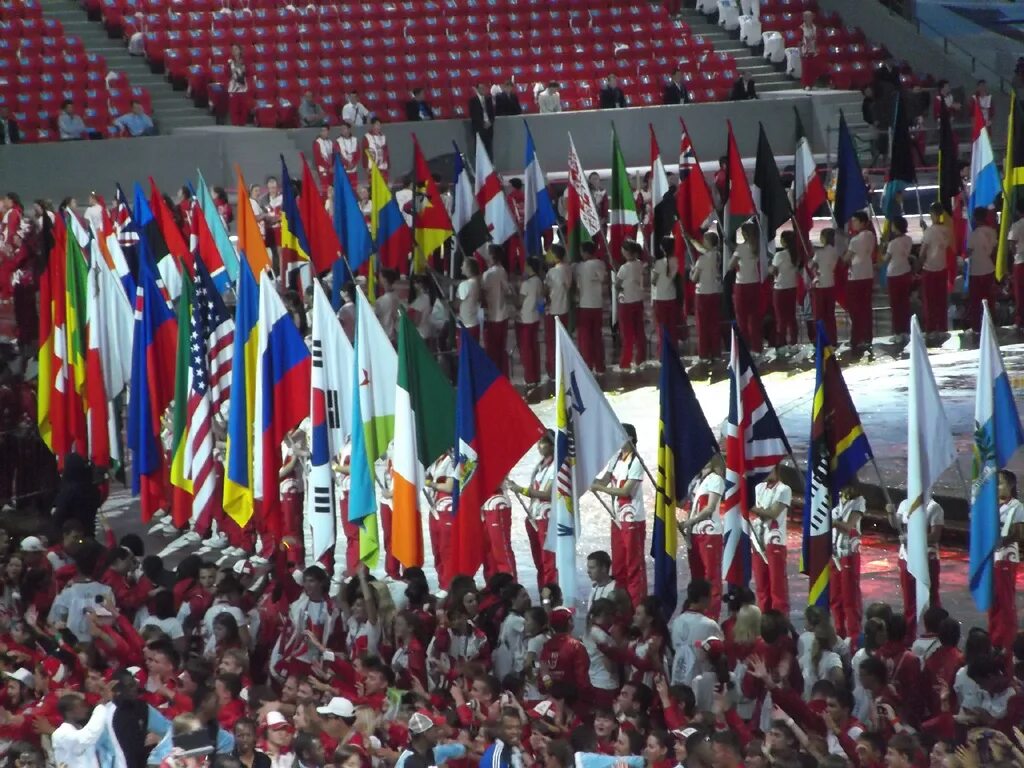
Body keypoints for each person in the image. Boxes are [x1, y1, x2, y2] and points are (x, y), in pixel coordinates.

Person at [591, 424, 647, 607]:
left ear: (630, 438)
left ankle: (636, 605)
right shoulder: (615, 459)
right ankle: (621, 606)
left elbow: (625, 491)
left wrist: (600, 488)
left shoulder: (637, 461)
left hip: (632, 518)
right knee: (619, 565)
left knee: (633, 566)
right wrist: (587, 477)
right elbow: (604, 480)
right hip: (616, 518)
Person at [888, 494, 943, 639]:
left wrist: (912, 539)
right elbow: (896, 524)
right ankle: (909, 637)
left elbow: (935, 536)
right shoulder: (905, 503)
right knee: (909, 599)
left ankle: (934, 633)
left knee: (931, 598)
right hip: (906, 557)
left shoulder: (934, 507)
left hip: (927, 558)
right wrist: (890, 513)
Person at [517, 432, 557, 591]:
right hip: (534, 516)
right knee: (539, 561)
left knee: (549, 560)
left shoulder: (556, 466)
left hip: (546, 516)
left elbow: (547, 494)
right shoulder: (540, 466)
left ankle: (552, 595)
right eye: (538, 443)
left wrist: (521, 490)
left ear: (552, 445)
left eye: (543, 443)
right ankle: (543, 593)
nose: (539, 446)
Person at [749, 462, 791, 616]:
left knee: (777, 587)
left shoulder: (784, 489)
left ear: (776, 469)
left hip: (775, 542)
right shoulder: (758, 488)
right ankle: (765, 623)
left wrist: (750, 506)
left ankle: (780, 624)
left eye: (769, 469)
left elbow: (773, 513)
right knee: (761, 587)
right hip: (757, 542)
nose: (765, 472)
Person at [991, 469, 1024, 653]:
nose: (997, 487)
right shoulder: (990, 506)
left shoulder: (1017, 507)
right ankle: (995, 638)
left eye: (1001, 483)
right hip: (992, 560)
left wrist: (1002, 538)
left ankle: (1008, 643)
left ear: (1011, 485)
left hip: (1006, 559)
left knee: (1006, 602)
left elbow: (1020, 534)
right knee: (993, 602)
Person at [830, 482, 865, 640]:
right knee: (835, 597)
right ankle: (839, 632)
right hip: (833, 553)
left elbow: (849, 526)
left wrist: (831, 522)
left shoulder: (859, 501)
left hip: (848, 553)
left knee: (849, 596)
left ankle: (854, 636)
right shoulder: (835, 498)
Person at [843, 211, 876, 352]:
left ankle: (857, 338)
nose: (853, 223)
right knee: (866, 308)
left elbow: (846, 259)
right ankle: (867, 337)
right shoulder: (871, 235)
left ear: (863, 222)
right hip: (868, 275)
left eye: (855, 221)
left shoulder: (856, 240)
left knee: (856, 310)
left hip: (856, 277)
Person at [919, 202, 951, 337]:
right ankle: (942, 327)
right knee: (941, 300)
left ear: (932, 214)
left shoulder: (930, 232)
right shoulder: (947, 230)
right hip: (942, 269)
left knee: (930, 301)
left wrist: (918, 268)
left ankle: (931, 328)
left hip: (930, 270)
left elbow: (923, 253)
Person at [52, 693, 109, 768]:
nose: (85, 709)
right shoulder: (60, 734)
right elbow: (85, 739)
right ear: (69, 713)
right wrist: (100, 708)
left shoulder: (80, 729)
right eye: (81, 706)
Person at [574, 241, 607, 373]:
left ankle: (587, 365)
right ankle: (600, 366)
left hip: (584, 305)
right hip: (597, 304)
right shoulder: (601, 264)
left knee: (585, 338)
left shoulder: (580, 267)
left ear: (586, 252)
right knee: (597, 336)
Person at [730, 221, 762, 353]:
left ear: (744, 234)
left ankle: (744, 348)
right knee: (754, 318)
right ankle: (757, 347)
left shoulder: (741, 248)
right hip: (754, 284)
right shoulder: (758, 246)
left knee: (742, 318)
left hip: (742, 285)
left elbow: (730, 266)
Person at [616, 240, 647, 371]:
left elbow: (617, 284)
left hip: (626, 302)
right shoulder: (641, 264)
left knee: (627, 334)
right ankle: (641, 359)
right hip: (638, 300)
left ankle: (625, 363)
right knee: (639, 331)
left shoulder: (624, 268)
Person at [691, 231, 722, 362]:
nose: (703, 243)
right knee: (714, 324)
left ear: (709, 243)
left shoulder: (702, 260)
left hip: (702, 294)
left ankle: (704, 354)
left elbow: (694, 279)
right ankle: (715, 352)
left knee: (703, 325)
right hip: (715, 292)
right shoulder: (717, 255)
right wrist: (691, 239)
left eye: (705, 240)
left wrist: (692, 271)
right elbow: (701, 248)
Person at [965, 210, 996, 334]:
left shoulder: (974, 234)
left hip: (976, 271)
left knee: (976, 301)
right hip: (989, 268)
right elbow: (994, 250)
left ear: (976, 219)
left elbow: (968, 252)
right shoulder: (992, 231)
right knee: (989, 299)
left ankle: (977, 328)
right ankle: (991, 324)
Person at [482, 244, 511, 376]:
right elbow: (507, 290)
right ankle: (503, 375)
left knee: (491, 350)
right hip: (503, 314)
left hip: (492, 316)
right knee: (501, 349)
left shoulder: (488, 275)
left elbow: (482, 294)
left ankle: (493, 377)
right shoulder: (502, 271)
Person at [544, 244, 572, 377]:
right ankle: (565, 367)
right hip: (564, 308)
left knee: (552, 342)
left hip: (554, 309)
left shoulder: (552, 272)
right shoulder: (567, 268)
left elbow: (545, 290)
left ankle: (554, 371)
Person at [883, 217, 912, 341]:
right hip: (905, 272)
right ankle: (906, 331)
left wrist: (883, 247)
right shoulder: (909, 239)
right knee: (904, 303)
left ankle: (898, 332)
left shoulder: (892, 243)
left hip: (894, 275)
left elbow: (885, 259)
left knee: (895, 305)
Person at [770, 231, 800, 353]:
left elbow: (772, 270)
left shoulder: (780, 255)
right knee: (791, 317)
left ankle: (781, 344)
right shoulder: (796, 254)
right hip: (792, 287)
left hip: (780, 289)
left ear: (784, 241)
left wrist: (769, 266)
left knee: (781, 318)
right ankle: (793, 342)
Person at [516, 258, 543, 386]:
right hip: (535, 317)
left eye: (525, 265)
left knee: (527, 350)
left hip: (525, 318)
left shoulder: (526, 284)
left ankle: (530, 378)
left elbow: (519, 302)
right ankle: (536, 375)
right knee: (534, 347)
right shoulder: (538, 281)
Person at [810, 228, 839, 345]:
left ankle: (821, 340)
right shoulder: (835, 251)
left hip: (820, 285)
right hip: (831, 284)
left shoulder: (819, 253)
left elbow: (811, 265)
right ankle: (832, 339)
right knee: (830, 315)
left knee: (819, 315)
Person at [651, 236, 680, 351]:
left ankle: (663, 352)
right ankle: (674, 351)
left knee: (661, 328)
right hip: (671, 296)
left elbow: (653, 281)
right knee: (672, 327)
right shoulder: (676, 261)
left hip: (660, 298)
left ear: (662, 248)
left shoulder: (658, 263)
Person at [456, 258, 482, 342]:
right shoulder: (477, 282)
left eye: (463, 265)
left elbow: (456, 304)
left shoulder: (465, 285)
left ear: (468, 268)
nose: (460, 267)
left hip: (465, 325)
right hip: (475, 323)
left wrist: (446, 303)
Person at [469, 84, 496, 157]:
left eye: (484, 88)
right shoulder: (473, 101)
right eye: (481, 88)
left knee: (489, 148)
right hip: (479, 129)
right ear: (477, 89)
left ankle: (490, 166)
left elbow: (492, 114)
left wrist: (490, 122)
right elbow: (474, 116)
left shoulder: (488, 99)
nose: (483, 90)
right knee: (479, 149)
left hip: (489, 128)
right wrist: (483, 124)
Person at [227, 44, 249, 126]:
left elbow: (249, 73)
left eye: (236, 49)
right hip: (233, 89)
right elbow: (227, 74)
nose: (234, 51)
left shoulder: (245, 62)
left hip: (243, 89)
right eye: (232, 49)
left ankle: (242, 126)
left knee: (243, 110)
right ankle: (235, 126)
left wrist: (244, 71)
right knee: (234, 110)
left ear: (240, 50)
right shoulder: (229, 62)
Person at [799, 11, 820, 90]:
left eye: (810, 16)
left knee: (813, 68)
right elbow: (799, 41)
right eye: (807, 17)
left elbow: (817, 39)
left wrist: (817, 48)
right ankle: (806, 84)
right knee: (806, 68)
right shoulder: (801, 28)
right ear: (804, 18)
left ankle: (812, 84)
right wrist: (800, 51)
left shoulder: (815, 27)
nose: (809, 18)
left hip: (813, 50)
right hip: (805, 51)